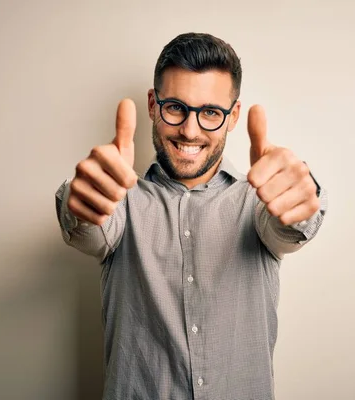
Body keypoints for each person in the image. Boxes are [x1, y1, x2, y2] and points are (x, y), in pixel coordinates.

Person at [55, 32, 328, 400]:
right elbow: (88, 226)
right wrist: (80, 200)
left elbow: (289, 227)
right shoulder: (120, 201)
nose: (190, 129)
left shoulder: (259, 200)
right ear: (153, 105)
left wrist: (300, 197)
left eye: (211, 113)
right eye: (175, 107)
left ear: (233, 117)